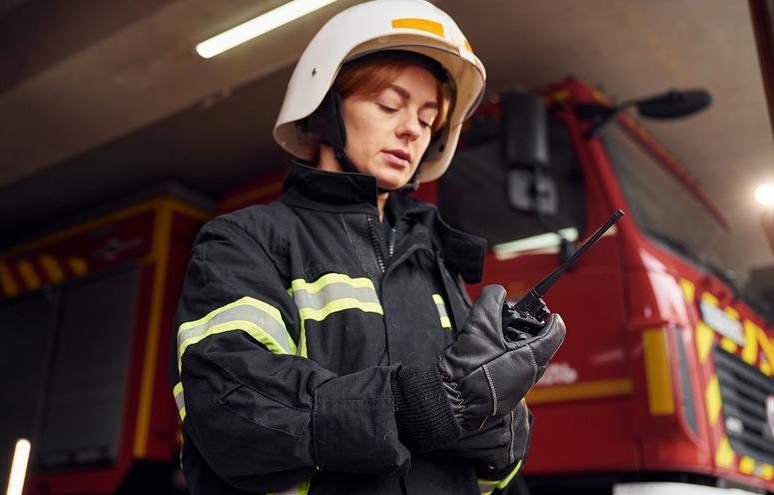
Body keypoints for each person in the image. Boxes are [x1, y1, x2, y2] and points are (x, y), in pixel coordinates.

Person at [169, 1, 566, 494]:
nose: (411, 130)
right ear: (325, 108)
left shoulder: (435, 262)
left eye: (428, 119)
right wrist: (427, 403)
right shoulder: (246, 240)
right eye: (388, 105)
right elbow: (236, 409)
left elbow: (499, 471)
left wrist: (502, 422)